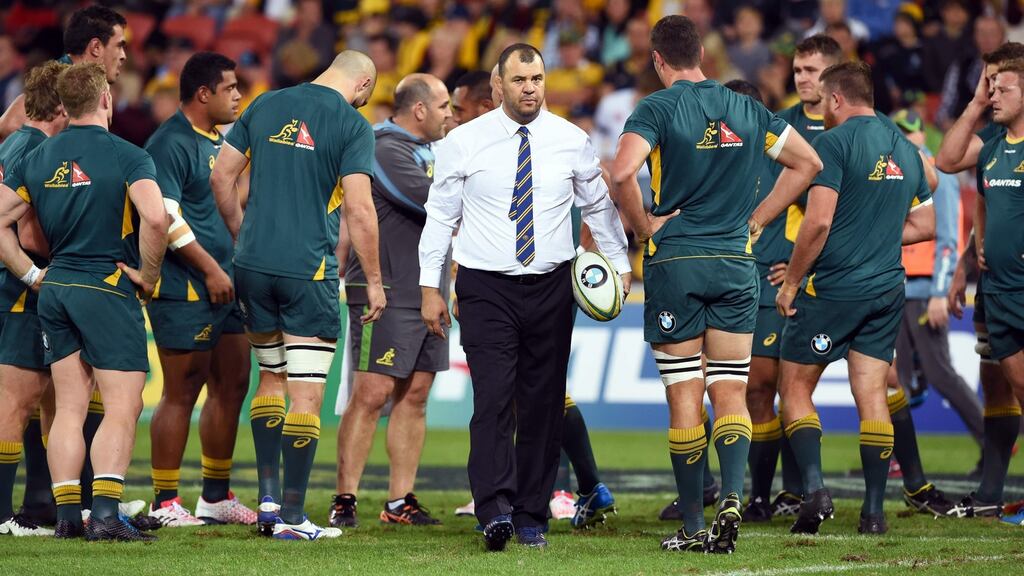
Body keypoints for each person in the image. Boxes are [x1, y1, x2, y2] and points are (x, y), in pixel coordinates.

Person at [610, 15, 821, 553]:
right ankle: (732, 496)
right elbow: (808, 162)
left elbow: (620, 173)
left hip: (676, 264)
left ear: (658, 60)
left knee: (685, 393)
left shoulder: (656, 107)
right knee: (730, 388)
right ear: (702, 52)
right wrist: (759, 218)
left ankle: (693, 525)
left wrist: (645, 227)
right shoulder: (750, 109)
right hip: (734, 263)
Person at [419, 43, 630, 551]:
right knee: (493, 399)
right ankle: (493, 509)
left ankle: (533, 514)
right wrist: (431, 287)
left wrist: (620, 263)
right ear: (500, 85)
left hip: (551, 284)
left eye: (537, 79)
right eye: (520, 81)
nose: (530, 88)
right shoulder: (462, 141)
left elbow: (598, 205)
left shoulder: (572, 140)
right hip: (485, 286)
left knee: (542, 404)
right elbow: (440, 218)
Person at [751, 61, 936, 536]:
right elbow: (928, 224)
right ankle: (873, 513)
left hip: (833, 289)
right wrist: (874, 234)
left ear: (835, 99)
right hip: (886, 289)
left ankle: (814, 489)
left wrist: (791, 283)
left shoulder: (831, 143)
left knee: (793, 389)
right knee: (872, 392)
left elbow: (817, 223)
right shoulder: (904, 147)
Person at [211, 50, 385, 541]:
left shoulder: (266, 104)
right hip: (306, 270)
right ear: (363, 83)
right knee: (306, 390)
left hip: (251, 266)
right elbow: (359, 207)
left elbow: (221, 177)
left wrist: (240, 230)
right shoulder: (352, 125)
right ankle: (291, 516)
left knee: (270, 377)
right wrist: (372, 279)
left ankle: (266, 500)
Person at [0, 62, 168, 541]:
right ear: (105, 100)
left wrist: (31, 273)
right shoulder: (127, 155)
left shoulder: (39, 156)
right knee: (122, 404)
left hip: (55, 291)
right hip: (106, 284)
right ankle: (108, 516)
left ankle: (70, 517)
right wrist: (149, 276)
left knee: (69, 407)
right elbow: (155, 219)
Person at [329, 73, 451, 529]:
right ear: (418, 109)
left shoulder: (434, 151)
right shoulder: (380, 144)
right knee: (372, 393)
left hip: (431, 290)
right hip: (387, 290)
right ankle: (345, 498)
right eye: (443, 107)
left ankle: (400, 500)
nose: (450, 115)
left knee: (416, 394)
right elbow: (428, 200)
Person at [143, 52, 255, 527]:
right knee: (181, 390)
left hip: (229, 284)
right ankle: (165, 501)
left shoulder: (219, 143)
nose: (238, 96)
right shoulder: (169, 142)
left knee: (232, 385)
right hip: (186, 285)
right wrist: (210, 268)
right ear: (204, 93)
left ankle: (214, 495)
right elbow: (165, 216)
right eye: (230, 88)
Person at [941, 42, 1024, 518]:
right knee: (1003, 383)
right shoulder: (991, 143)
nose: (991, 93)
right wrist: (965, 262)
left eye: (1000, 85)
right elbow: (947, 161)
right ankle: (992, 492)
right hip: (995, 288)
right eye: (987, 84)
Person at [891, 108, 984, 477]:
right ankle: (899, 457)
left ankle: (994, 439)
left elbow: (949, 238)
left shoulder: (937, 173)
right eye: (898, 131)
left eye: (910, 132)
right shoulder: (899, 171)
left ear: (922, 136)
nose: (904, 137)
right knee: (896, 376)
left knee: (940, 372)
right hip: (899, 287)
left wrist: (939, 291)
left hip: (925, 289)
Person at [0, 61, 67, 537]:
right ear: (61, 106)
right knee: (18, 398)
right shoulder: (39, 150)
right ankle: (3, 513)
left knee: (36, 397)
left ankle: (35, 506)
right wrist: (34, 273)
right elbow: (24, 229)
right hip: (16, 288)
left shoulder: (16, 140)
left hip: (11, 286)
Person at [0, 5, 126, 139]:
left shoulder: (88, 86)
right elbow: (10, 125)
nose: (123, 55)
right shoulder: (57, 82)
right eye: (119, 46)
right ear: (96, 47)